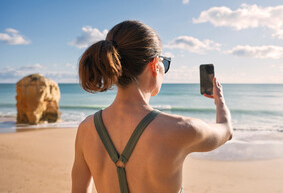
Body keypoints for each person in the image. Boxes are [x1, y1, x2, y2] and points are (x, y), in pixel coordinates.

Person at [71, 20, 233, 193]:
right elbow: (226, 130)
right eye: (165, 63)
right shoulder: (179, 129)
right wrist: (219, 101)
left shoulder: (86, 129)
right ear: (155, 64)